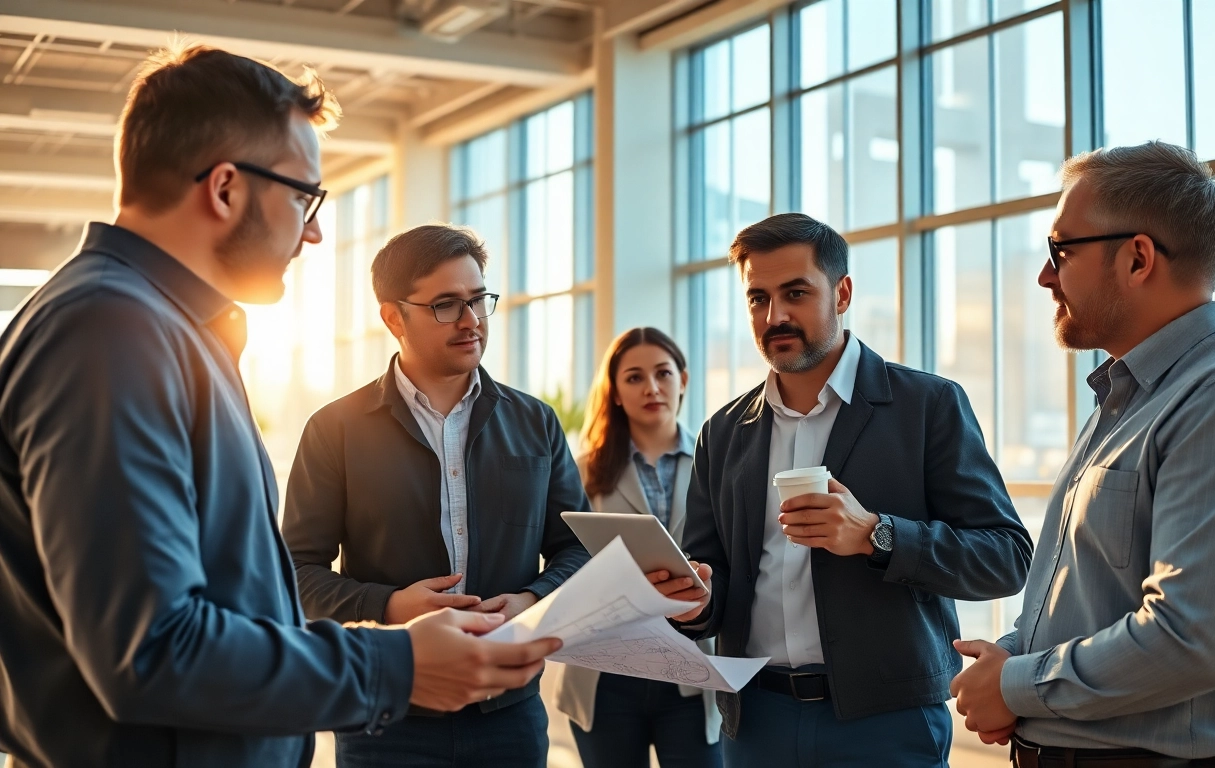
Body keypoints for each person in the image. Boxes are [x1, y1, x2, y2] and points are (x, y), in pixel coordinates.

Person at [0, 46, 560, 768]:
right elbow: (151, 648)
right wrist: (396, 664)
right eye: (305, 197)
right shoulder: (112, 332)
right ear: (226, 188)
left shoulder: (166, 330)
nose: (315, 231)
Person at [950, 141, 1215, 768]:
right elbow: (1087, 595)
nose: (1046, 276)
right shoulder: (1129, 397)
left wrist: (1017, 684)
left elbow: (1191, 640)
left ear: (1137, 258)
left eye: (1060, 251)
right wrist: (1011, 663)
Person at [659, 212, 1034, 768]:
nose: (775, 315)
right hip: (755, 722)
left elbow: (1007, 558)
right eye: (757, 298)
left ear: (843, 293)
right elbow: (712, 580)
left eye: (795, 293)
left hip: (887, 723)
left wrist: (875, 535)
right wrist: (694, 601)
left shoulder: (927, 407)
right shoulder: (723, 431)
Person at [281, 222, 591, 768]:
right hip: (389, 717)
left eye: (478, 300)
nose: (471, 321)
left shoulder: (536, 422)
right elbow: (296, 573)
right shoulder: (336, 429)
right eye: (446, 305)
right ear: (393, 316)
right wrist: (389, 606)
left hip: (510, 718)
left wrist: (531, 599)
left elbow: (577, 548)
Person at [553, 327, 724, 768]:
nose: (651, 388)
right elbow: (562, 562)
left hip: (692, 671)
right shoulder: (581, 471)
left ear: (683, 380)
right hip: (606, 674)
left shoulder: (719, 462)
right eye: (633, 377)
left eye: (663, 374)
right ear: (614, 392)